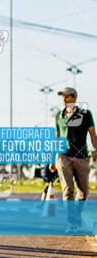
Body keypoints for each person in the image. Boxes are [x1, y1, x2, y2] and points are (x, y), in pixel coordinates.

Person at [49, 87, 97, 232]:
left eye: (67, 96)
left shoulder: (85, 114)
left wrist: (95, 149)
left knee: (83, 191)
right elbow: (56, 138)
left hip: (82, 157)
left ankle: (76, 215)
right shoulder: (59, 116)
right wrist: (53, 159)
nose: (64, 99)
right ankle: (72, 221)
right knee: (68, 189)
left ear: (74, 97)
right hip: (63, 156)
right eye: (62, 97)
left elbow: (93, 134)